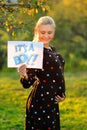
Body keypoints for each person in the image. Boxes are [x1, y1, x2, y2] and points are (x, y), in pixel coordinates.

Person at [18, 16, 66, 130]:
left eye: (49, 32)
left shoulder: (52, 49)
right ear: (36, 31)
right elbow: (27, 83)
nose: (46, 36)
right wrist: (23, 73)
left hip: (52, 102)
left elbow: (57, 75)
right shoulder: (35, 51)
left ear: (54, 32)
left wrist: (62, 95)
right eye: (42, 32)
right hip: (41, 102)